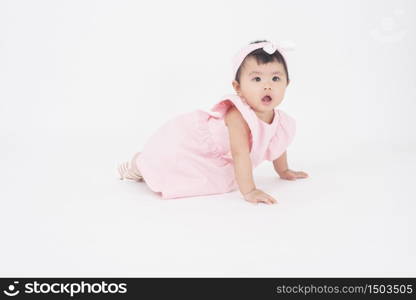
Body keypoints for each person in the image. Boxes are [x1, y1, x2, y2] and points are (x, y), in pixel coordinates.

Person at [118, 39, 309, 205]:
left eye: (276, 78)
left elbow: (277, 144)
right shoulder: (237, 117)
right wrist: (249, 191)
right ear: (238, 88)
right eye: (257, 79)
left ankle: (144, 166)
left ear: (286, 84)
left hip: (220, 160)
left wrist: (283, 171)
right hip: (193, 148)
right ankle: (138, 166)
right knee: (170, 167)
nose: (267, 85)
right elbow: (240, 153)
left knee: (207, 181)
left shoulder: (279, 120)